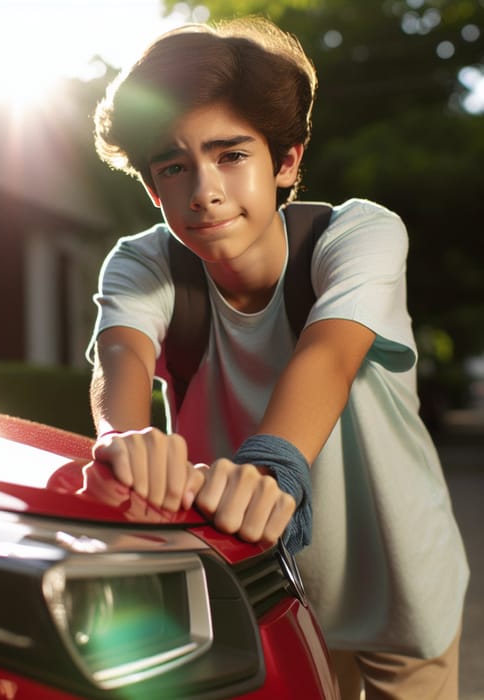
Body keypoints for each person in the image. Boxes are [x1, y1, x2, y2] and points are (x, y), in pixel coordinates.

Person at [86, 15, 469, 700]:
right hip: (266, 597)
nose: (203, 189)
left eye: (231, 155)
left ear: (286, 160)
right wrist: (123, 434)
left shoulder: (359, 235)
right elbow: (121, 357)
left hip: (399, 585)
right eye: (174, 166)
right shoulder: (142, 263)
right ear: (152, 187)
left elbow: (329, 355)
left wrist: (276, 463)